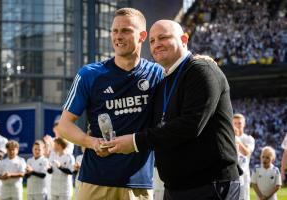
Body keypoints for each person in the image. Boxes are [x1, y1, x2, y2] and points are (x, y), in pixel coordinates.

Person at [106, 19, 241, 200]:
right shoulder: (164, 80)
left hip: (209, 185)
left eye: (163, 37)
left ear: (184, 40)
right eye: (152, 41)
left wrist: (136, 141)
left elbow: (191, 125)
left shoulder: (201, 70)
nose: (156, 45)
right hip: (175, 187)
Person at [57, 7, 164, 200]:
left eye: (126, 31)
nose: (118, 36)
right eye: (114, 31)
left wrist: (201, 61)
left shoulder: (157, 74)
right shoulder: (89, 74)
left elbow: (184, 70)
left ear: (142, 36)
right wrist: (92, 143)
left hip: (138, 184)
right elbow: (64, 126)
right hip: (95, 180)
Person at [233, 113, 255, 200]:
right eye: (235, 123)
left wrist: (237, 140)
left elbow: (246, 152)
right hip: (232, 175)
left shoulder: (249, 138)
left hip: (244, 175)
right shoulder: (229, 138)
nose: (237, 125)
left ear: (244, 124)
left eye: (239, 123)